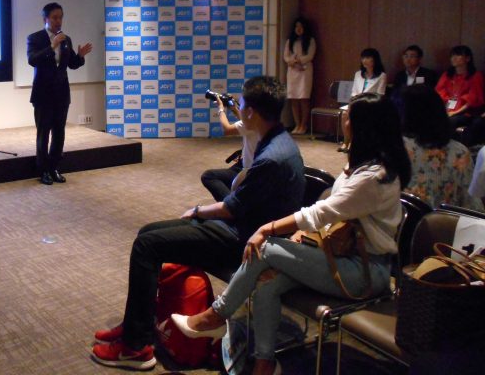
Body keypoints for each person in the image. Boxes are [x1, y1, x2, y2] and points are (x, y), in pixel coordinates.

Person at [170, 92, 410, 375]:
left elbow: (320, 212)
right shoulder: (363, 166)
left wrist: (267, 228)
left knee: (264, 247)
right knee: (268, 284)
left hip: (365, 271)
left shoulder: (373, 177)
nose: (343, 121)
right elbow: (332, 215)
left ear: (364, 127)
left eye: (349, 117)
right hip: (340, 255)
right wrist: (302, 235)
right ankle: (264, 364)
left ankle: (216, 315)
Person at [90, 76, 305, 371]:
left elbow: (231, 208)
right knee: (147, 233)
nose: (239, 109)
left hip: (244, 241)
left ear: (252, 112)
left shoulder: (272, 158)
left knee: (146, 245)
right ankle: (136, 326)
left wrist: (197, 211)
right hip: (245, 228)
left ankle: (135, 348)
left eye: (242, 105)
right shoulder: (278, 142)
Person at [27, 2, 92, 185]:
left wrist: (80, 56)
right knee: (43, 133)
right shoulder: (35, 38)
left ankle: (54, 167)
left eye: (61, 17)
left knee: (59, 133)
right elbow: (32, 60)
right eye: (54, 17)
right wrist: (52, 45)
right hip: (43, 94)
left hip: (61, 94)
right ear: (45, 19)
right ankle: (43, 171)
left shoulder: (66, 39)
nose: (58, 21)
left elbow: (71, 64)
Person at [401, 84, 477, 210]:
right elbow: (470, 202)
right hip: (446, 219)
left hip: (405, 218)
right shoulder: (460, 152)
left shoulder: (397, 146)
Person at [200, 94, 260, 201]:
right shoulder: (262, 120)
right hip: (253, 164)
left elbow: (227, 129)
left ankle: (231, 206)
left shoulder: (252, 122)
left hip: (249, 169)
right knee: (226, 180)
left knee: (209, 176)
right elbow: (245, 124)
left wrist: (221, 109)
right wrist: (234, 109)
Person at [338, 47, 387, 152]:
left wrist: (362, 102)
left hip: (371, 105)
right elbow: (354, 92)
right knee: (344, 114)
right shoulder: (358, 74)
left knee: (355, 117)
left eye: (368, 57)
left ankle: (353, 143)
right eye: (363, 58)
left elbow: (380, 95)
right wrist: (352, 103)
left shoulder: (382, 76)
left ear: (375, 59)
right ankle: (346, 142)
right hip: (356, 102)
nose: (364, 60)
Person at [435, 45, 484, 141]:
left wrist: (454, 113)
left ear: (468, 58)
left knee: (449, 122)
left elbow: (473, 99)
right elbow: (439, 93)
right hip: (447, 109)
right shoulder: (447, 75)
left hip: (465, 113)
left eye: (458, 55)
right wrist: (444, 111)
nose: (454, 58)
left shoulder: (476, 76)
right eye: (452, 55)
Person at [283, 17, 316, 135]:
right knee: (293, 99)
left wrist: (298, 61)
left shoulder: (310, 40)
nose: (299, 29)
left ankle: (303, 125)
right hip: (292, 71)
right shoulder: (290, 41)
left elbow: (310, 56)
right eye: (297, 26)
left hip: (305, 71)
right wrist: (292, 61)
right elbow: (286, 56)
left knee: (303, 98)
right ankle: (297, 124)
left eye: (301, 26)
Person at [390, 45, 438, 114]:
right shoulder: (399, 75)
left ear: (419, 59)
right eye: (406, 56)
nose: (408, 59)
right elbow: (395, 93)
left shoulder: (428, 74)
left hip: (421, 107)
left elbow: (430, 94)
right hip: (402, 107)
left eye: (412, 56)